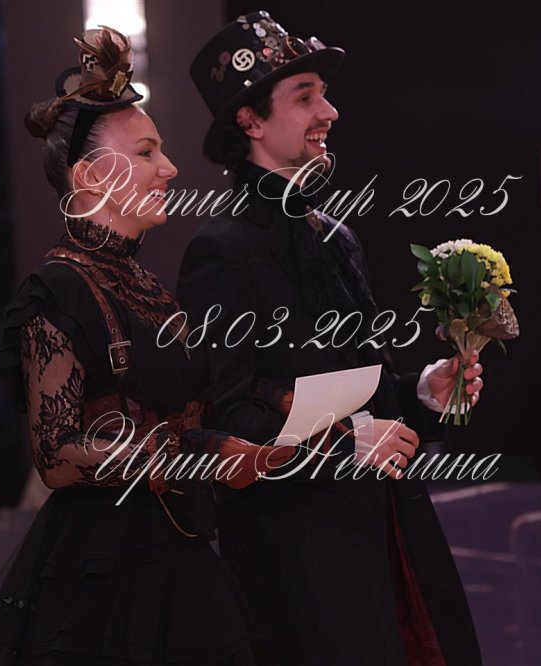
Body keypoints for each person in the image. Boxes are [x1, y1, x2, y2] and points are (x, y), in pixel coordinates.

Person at [0, 27, 289, 665]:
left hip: (180, 551)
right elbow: (57, 456)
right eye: (146, 152)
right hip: (103, 571)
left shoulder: (144, 286)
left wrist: (244, 441)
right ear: (89, 176)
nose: (170, 169)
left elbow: (181, 419)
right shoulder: (57, 291)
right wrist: (191, 458)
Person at [179, 12, 484, 665]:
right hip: (296, 554)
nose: (330, 111)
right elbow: (230, 416)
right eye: (305, 96)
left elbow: (364, 390)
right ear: (250, 120)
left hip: (374, 529)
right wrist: (348, 441)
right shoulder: (221, 250)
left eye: (323, 93)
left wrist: (422, 392)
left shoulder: (334, 235)